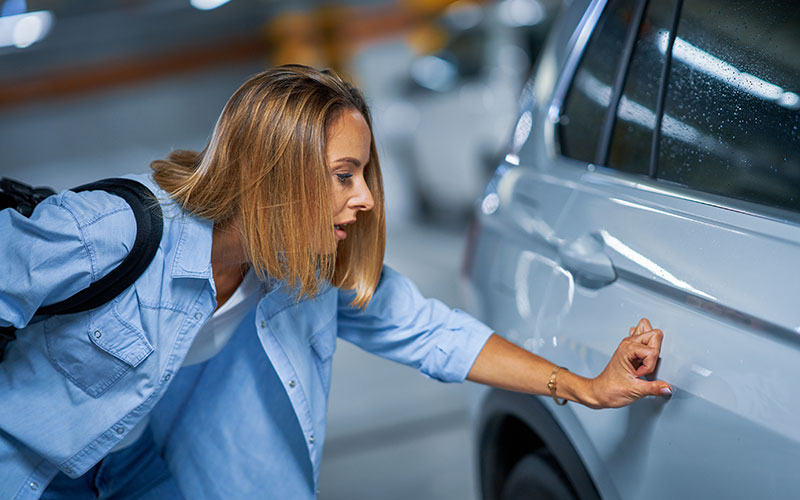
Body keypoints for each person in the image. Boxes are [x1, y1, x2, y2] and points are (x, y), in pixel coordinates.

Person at [0, 65, 671, 500]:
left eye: (364, 176)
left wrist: (583, 387)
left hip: (138, 472)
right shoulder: (110, 231)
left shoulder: (300, 272)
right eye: (345, 175)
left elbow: (431, 332)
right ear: (274, 169)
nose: (366, 199)